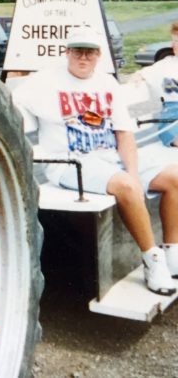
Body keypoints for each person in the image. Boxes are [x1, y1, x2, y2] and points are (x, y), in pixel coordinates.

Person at [12, 26, 178, 295]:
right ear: (67, 53)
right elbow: (8, 104)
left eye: (90, 52)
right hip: (69, 164)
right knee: (126, 186)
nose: (83, 58)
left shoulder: (106, 82)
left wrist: (134, 173)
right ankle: (152, 259)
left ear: (99, 55)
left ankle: (173, 253)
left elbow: (124, 134)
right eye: (78, 51)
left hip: (109, 160)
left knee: (173, 177)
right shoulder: (45, 81)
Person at [133, 22, 178, 146]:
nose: (174, 45)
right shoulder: (165, 64)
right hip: (171, 117)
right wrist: (136, 78)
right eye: (174, 41)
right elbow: (140, 74)